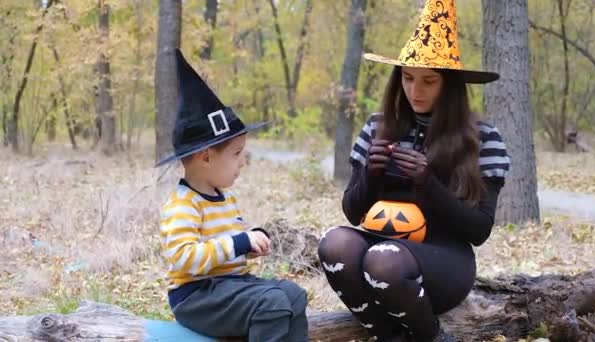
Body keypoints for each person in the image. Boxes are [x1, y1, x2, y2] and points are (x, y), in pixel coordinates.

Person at [317, 1, 510, 341]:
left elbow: (479, 230)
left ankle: (432, 337)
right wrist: (372, 174)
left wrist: (428, 184)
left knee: (382, 259)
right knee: (334, 243)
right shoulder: (377, 127)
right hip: (380, 241)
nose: (415, 91)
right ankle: (387, 336)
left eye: (428, 81)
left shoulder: (482, 138)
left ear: (449, 84)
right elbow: (353, 212)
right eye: (407, 78)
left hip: (443, 258)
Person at [157, 49, 308, 342]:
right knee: (272, 303)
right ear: (205, 157)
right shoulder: (183, 205)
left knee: (293, 295)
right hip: (196, 297)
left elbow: (230, 248)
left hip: (229, 286)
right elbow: (183, 258)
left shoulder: (225, 198)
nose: (242, 162)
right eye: (237, 154)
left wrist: (250, 244)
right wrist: (239, 242)